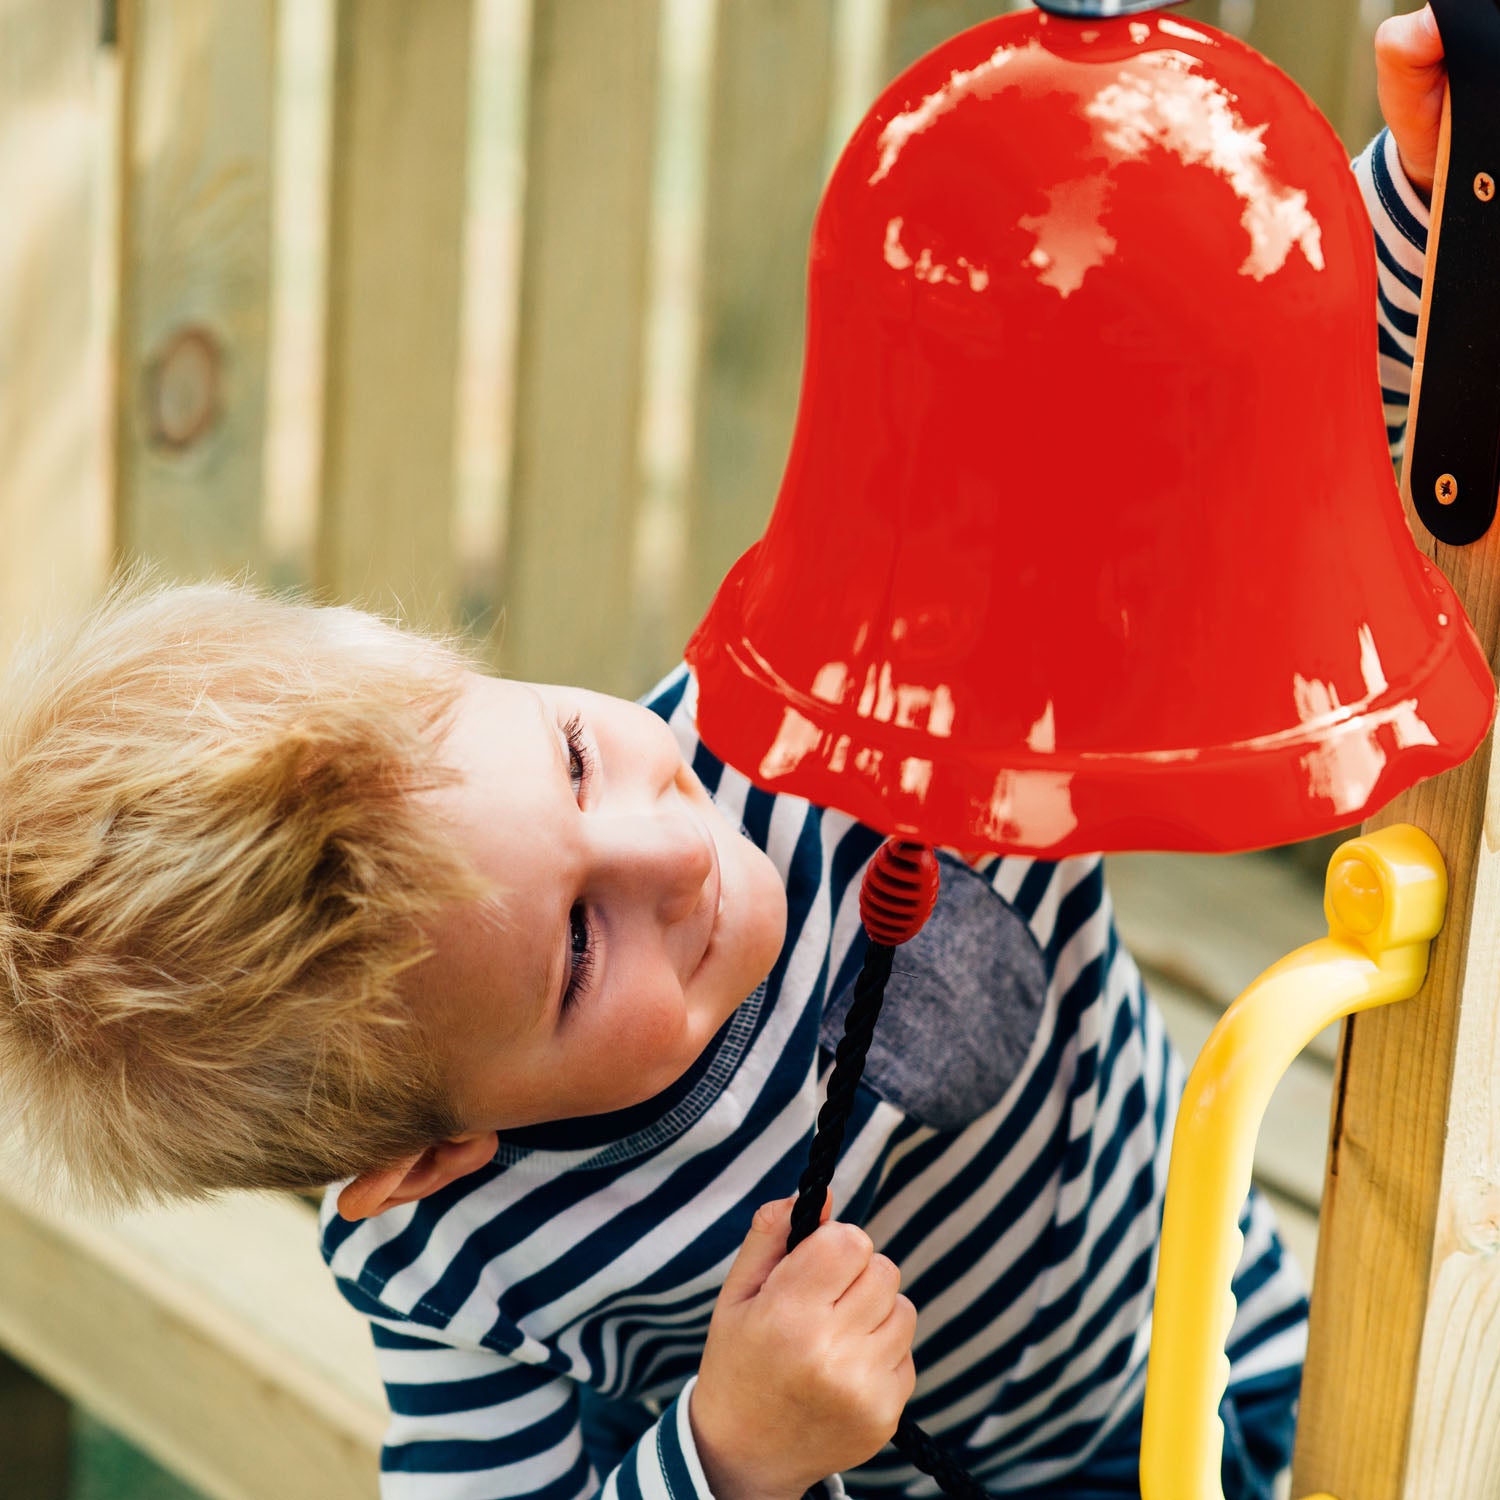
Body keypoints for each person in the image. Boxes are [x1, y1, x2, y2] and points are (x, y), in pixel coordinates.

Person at [0, 10, 1451, 1499]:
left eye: (574, 759)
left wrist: (1422, 190)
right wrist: (730, 1455)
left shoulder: (859, 695)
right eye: (575, 951)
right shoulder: (465, 1273)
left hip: (1231, 1351)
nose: (673, 847)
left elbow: (1227, 465)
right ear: (432, 1160)